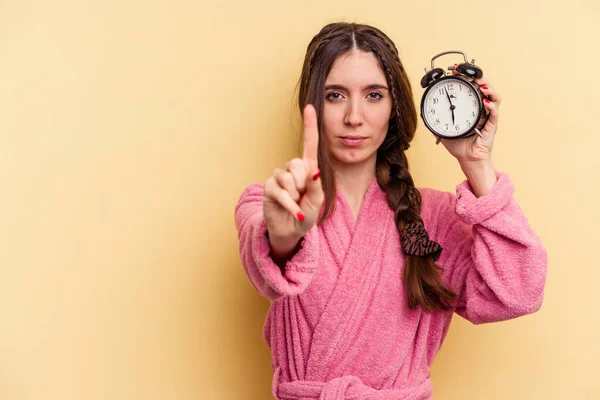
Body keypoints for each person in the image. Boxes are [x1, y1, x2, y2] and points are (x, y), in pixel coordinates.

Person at [234, 22, 547, 400]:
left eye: (373, 95)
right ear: (311, 106)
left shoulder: (435, 218)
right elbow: (265, 264)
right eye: (335, 95)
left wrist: (477, 164)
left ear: (394, 106)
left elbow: (518, 293)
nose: (354, 116)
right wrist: (285, 236)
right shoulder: (269, 201)